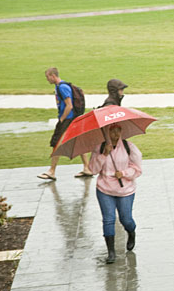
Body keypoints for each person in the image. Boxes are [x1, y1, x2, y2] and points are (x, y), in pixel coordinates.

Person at [89, 124, 142, 264]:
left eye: (119, 130)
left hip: (125, 190)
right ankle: (111, 252)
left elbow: (137, 169)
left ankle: (131, 232)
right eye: (112, 131)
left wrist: (124, 173)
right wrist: (104, 154)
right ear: (106, 132)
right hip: (104, 190)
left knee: (126, 219)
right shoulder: (99, 148)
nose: (116, 134)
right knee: (108, 219)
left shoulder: (128, 147)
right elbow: (93, 170)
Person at [38, 68, 91, 181]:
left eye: (47, 77)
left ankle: (51, 171)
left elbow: (69, 105)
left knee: (57, 143)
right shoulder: (59, 87)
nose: (47, 80)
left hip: (67, 119)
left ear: (53, 76)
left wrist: (62, 119)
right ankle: (87, 168)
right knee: (79, 142)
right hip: (70, 119)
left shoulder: (62, 87)